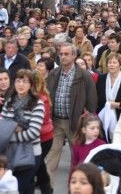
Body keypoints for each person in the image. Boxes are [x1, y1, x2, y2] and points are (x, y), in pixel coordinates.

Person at [46, 43, 97, 186]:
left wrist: (87, 119)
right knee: (51, 155)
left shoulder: (84, 76)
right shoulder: (53, 74)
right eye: (61, 54)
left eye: (66, 54)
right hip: (56, 121)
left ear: (74, 56)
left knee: (76, 157)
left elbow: (92, 100)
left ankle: (75, 187)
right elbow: (47, 94)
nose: (63, 57)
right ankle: (47, 187)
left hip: (75, 122)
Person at [0, 69, 45, 194]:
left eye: (25, 81)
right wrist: (15, 127)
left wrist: (10, 136)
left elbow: (33, 133)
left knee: (18, 188)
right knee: (26, 188)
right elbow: (1, 126)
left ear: (31, 85)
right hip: (10, 153)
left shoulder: (37, 104)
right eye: (18, 81)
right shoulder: (9, 102)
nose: (21, 84)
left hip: (31, 153)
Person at [96, 53, 121, 140]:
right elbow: (97, 99)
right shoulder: (101, 79)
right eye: (109, 62)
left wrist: (118, 105)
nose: (111, 65)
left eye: (114, 62)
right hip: (103, 119)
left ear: (120, 65)